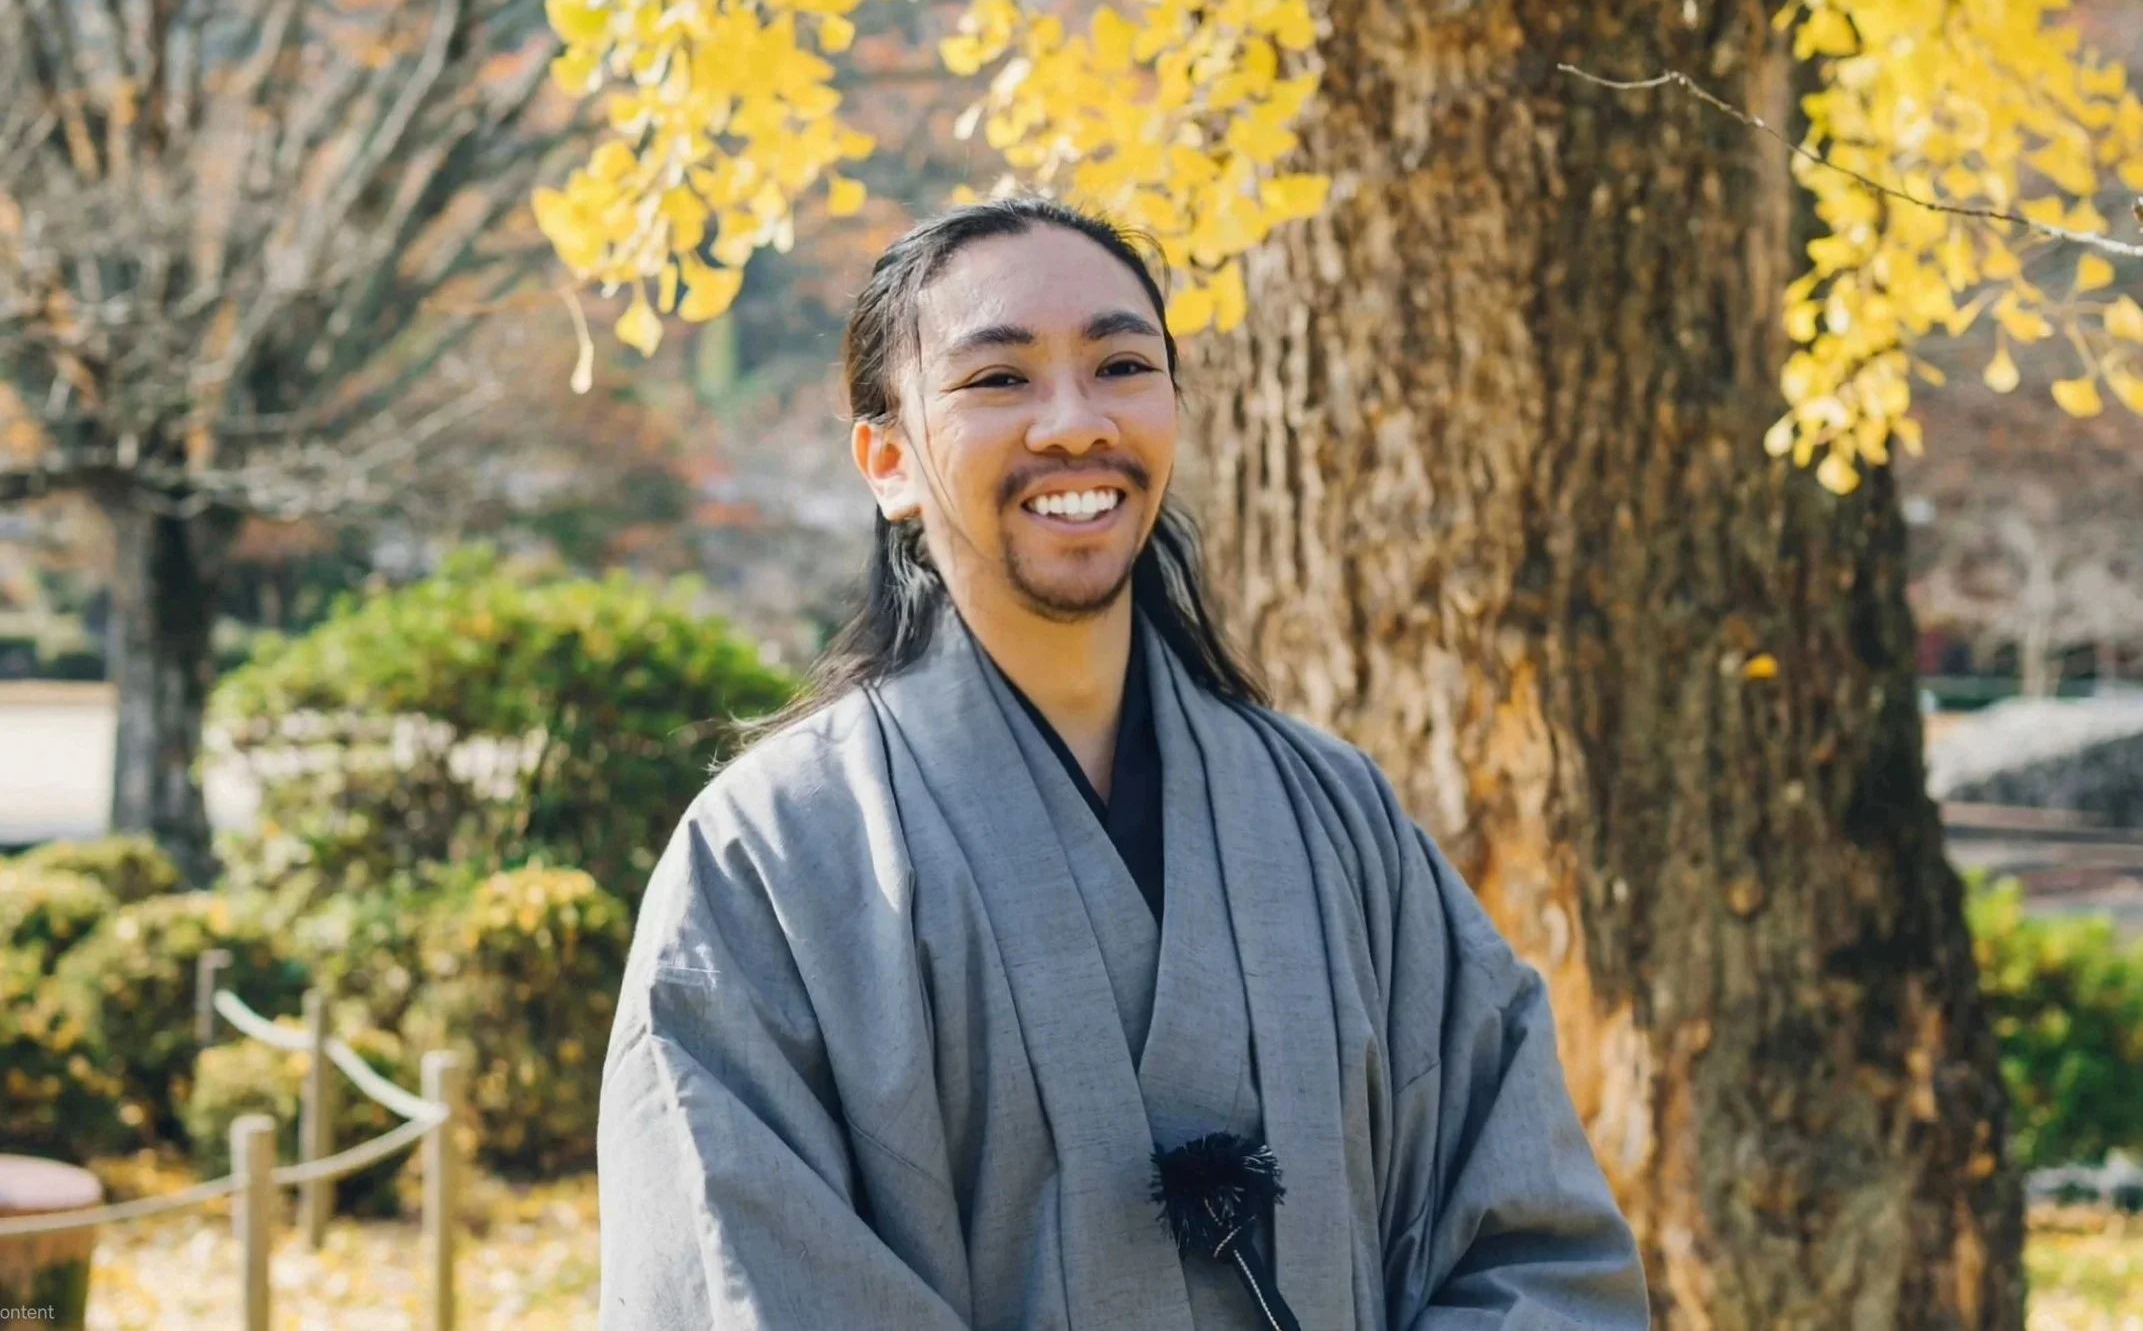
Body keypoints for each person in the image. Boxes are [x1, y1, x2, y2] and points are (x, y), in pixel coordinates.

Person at [597, 196, 1648, 1329]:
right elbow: (733, 1268)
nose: (1072, 422)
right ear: (888, 460)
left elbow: (1530, 1243)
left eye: (1120, 363)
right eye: (998, 379)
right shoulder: (771, 857)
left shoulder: (1338, 817)